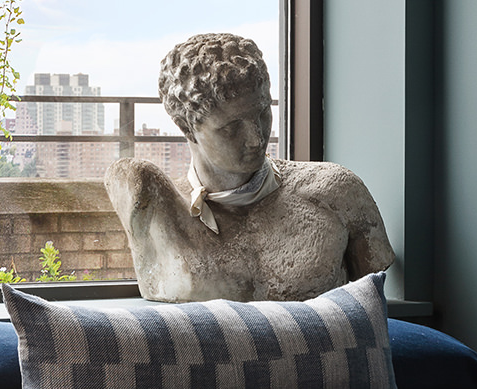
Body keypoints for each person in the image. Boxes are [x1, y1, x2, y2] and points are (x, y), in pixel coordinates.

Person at [105, 32, 394, 302]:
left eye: (263, 113)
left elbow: (372, 308)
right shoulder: (157, 208)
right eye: (231, 128)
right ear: (186, 127)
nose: (257, 138)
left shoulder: (336, 192)